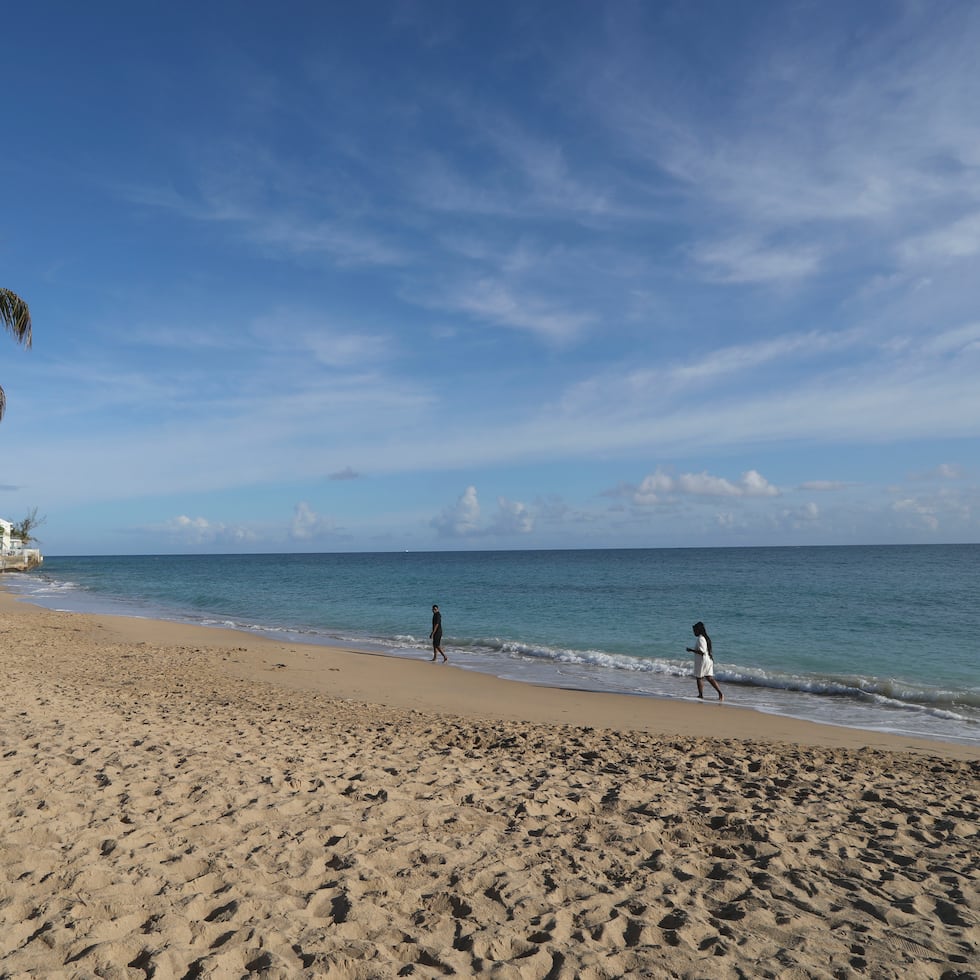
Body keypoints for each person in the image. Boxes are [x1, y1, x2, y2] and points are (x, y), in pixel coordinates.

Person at [686, 621, 724, 701]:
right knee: (709, 678)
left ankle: (700, 695)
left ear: (698, 630)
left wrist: (691, 650)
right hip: (708, 660)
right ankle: (720, 693)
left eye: (695, 630)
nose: (694, 632)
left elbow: (702, 651)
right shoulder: (706, 638)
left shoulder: (701, 638)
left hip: (703, 660)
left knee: (699, 678)